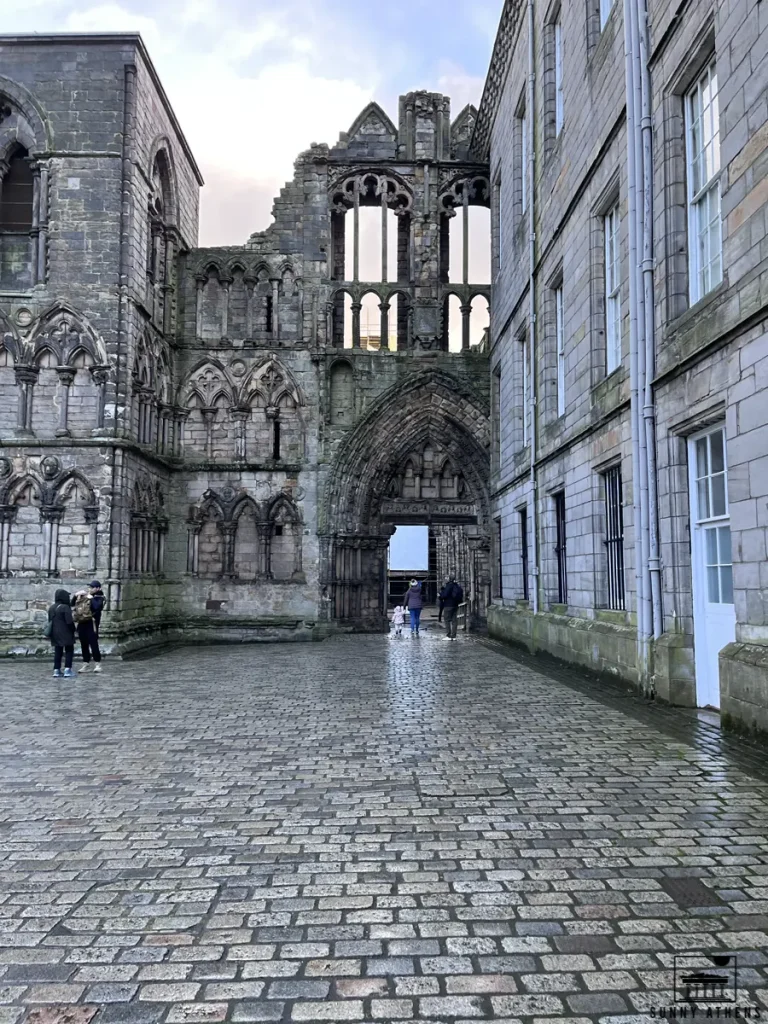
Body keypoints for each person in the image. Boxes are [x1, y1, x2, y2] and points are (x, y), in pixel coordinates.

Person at [72, 587, 102, 674]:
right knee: (84, 645)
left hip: (91, 624)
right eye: (90, 587)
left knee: (93, 644)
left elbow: (97, 607)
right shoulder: (82, 598)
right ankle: (86, 663)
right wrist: (76, 595)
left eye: (92, 587)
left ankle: (98, 664)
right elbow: (72, 604)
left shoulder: (98, 597)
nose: (90, 589)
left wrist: (91, 598)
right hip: (82, 624)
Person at [48, 588, 76, 679]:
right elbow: (69, 622)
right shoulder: (65, 607)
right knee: (69, 650)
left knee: (58, 651)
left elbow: (50, 621)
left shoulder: (52, 607)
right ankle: (67, 669)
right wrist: (73, 630)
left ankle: (56, 670)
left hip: (55, 633)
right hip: (66, 633)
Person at [442, 574, 464, 640]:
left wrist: (440, 595)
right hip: (455, 605)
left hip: (448, 605)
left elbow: (445, 595)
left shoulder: (449, 585)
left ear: (449, 579)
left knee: (447, 620)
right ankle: (453, 636)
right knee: (454, 621)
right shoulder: (456, 585)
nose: (446, 578)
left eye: (447, 577)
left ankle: (448, 635)